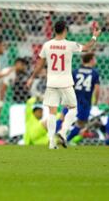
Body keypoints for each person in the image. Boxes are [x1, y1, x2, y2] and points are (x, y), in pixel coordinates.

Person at [26, 20, 101, 149]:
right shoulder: (70, 45)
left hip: (52, 82)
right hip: (65, 83)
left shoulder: (47, 45)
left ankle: (51, 141)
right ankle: (62, 132)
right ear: (65, 30)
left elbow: (40, 64)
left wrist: (32, 78)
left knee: (52, 113)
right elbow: (87, 47)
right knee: (73, 109)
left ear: (55, 30)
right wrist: (94, 36)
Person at [65, 53, 100, 143]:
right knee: (81, 123)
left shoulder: (75, 71)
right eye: (94, 58)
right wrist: (95, 101)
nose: (95, 61)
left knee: (63, 118)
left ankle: (59, 136)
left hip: (74, 99)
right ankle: (66, 139)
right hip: (85, 102)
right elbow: (97, 89)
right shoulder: (95, 73)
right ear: (91, 60)